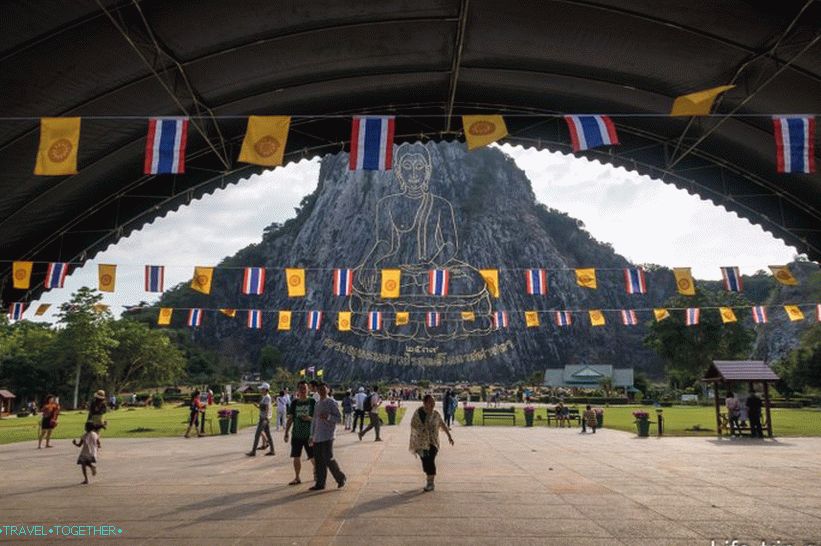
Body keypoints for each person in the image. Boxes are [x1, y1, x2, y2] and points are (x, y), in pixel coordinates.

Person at [409, 394, 454, 492]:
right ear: (424, 403)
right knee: (425, 462)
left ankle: (430, 483)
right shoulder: (418, 413)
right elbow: (413, 424)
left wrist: (449, 436)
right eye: (430, 402)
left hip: (433, 442)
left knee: (430, 461)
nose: (432, 404)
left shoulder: (436, 414)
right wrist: (422, 429)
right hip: (421, 443)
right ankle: (429, 478)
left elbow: (442, 424)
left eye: (433, 402)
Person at [309, 382, 347, 491]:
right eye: (319, 389)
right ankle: (320, 483)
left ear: (328, 390)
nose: (321, 391)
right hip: (317, 435)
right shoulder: (317, 404)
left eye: (323, 389)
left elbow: (339, 419)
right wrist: (311, 434)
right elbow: (314, 420)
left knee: (328, 458)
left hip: (327, 435)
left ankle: (340, 478)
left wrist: (328, 416)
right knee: (319, 460)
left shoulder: (331, 402)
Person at [284, 381, 315, 485]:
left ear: (308, 390)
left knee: (312, 456)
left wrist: (309, 418)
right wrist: (286, 432)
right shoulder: (294, 402)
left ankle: (317, 473)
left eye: (304, 388)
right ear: (298, 390)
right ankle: (297, 477)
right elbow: (291, 418)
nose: (303, 390)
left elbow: (317, 418)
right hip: (296, 434)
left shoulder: (312, 402)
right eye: (301, 388)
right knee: (296, 456)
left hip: (309, 435)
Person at [247, 383, 275, 456]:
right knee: (268, 435)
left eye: (262, 389)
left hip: (263, 418)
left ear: (266, 389)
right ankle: (272, 450)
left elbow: (266, 408)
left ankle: (253, 451)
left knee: (257, 435)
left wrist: (265, 417)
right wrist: (258, 406)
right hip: (265, 418)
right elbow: (264, 407)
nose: (261, 390)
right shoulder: (265, 397)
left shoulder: (267, 397)